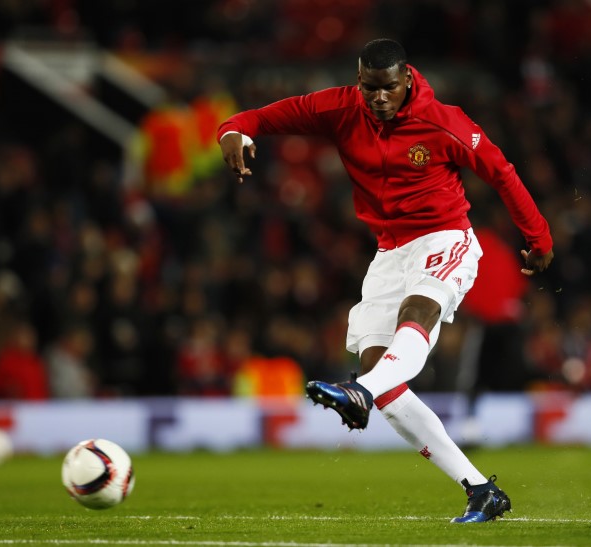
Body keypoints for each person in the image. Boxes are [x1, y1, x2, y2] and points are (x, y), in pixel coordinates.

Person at [217, 38, 554, 523]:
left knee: (414, 318)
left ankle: (361, 393)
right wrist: (232, 130)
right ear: (359, 82)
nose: (378, 98)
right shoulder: (339, 107)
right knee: (384, 373)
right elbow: (266, 118)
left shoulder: (443, 120)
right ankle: (480, 490)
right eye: (369, 88)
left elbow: (501, 171)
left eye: (388, 89)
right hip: (389, 252)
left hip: (444, 238)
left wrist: (538, 236)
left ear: (407, 81)